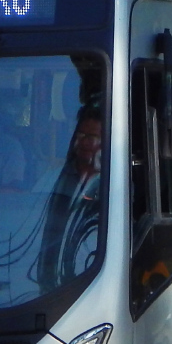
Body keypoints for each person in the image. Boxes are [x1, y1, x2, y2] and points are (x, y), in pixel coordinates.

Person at [36, 108, 102, 291]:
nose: (84, 143)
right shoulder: (52, 178)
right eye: (80, 135)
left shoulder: (115, 187)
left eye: (92, 137)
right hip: (48, 287)